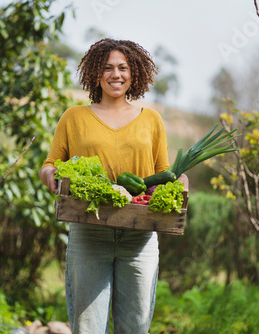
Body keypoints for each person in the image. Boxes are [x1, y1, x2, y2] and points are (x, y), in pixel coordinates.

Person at [39, 38, 188, 334]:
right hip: (89, 234)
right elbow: (50, 164)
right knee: (88, 329)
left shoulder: (152, 120)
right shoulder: (74, 117)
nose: (115, 74)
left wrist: (177, 182)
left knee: (135, 328)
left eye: (123, 67)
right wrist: (52, 178)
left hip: (139, 239)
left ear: (134, 73)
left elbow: (162, 172)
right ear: (96, 73)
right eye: (107, 68)